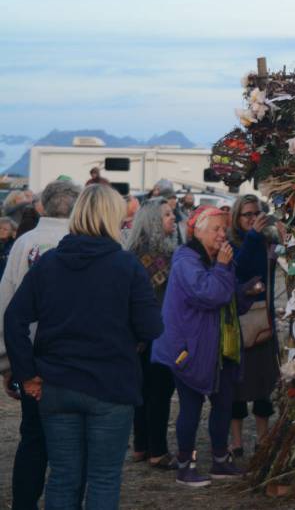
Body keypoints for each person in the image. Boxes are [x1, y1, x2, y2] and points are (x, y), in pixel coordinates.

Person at [3, 183, 163, 508]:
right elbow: (152, 327)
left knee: (63, 477)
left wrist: (26, 373)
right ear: (112, 217)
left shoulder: (48, 264)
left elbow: (14, 318)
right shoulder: (127, 267)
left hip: (57, 385)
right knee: (103, 478)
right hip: (111, 386)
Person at [152, 205, 257, 486]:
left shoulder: (220, 258)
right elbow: (209, 294)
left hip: (221, 348)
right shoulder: (186, 259)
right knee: (191, 407)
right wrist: (223, 268)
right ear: (198, 230)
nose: (223, 234)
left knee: (223, 404)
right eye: (216, 229)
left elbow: (228, 295)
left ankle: (220, 462)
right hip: (190, 349)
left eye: (225, 228)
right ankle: (185, 466)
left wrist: (245, 292)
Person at [0, 179, 81, 510]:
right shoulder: (87, 242)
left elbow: (7, 303)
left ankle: (24, 503)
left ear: (41, 206)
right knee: (74, 443)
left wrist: (8, 364)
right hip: (76, 361)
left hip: (30, 357)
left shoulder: (25, 244)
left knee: (33, 438)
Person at [125, 198, 180, 469]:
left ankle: (141, 446)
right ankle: (157, 451)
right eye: (167, 215)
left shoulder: (129, 253)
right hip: (158, 332)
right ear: (153, 221)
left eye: (172, 214)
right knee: (159, 391)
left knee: (142, 391)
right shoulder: (166, 255)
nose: (173, 218)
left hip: (134, 334)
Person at [227, 195, 282, 459]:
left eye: (256, 213)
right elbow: (240, 268)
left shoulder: (266, 241)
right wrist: (252, 237)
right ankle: (236, 442)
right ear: (237, 217)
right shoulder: (232, 243)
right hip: (239, 322)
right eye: (247, 214)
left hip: (263, 320)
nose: (252, 218)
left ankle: (262, 439)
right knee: (236, 387)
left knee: (263, 385)